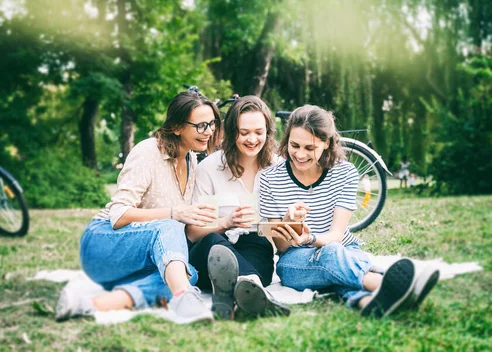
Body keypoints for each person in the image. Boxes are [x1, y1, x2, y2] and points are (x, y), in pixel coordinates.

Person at [256, 105, 439, 318]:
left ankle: (370, 302)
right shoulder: (270, 178)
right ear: (286, 140)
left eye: (310, 148)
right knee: (334, 256)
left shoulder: (345, 173)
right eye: (294, 145)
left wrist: (310, 236)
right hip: (294, 262)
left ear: (326, 143)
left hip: (343, 249)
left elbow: (336, 235)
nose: (300, 154)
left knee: (335, 258)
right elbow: (282, 247)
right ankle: (385, 282)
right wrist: (288, 224)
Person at [55, 90, 222, 323]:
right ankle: (184, 298)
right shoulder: (148, 151)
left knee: (188, 273)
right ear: (176, 127)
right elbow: (118, 215)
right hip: (102, 244)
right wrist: (176, 213)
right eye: (201, 125)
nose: (209, 131)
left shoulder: (191, 159)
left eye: (212, 123)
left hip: (133, 263)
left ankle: (89, 304)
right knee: (170, 226)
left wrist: (224, 222)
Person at [187, 96, 289, 319]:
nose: (252, 139)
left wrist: (283, 222)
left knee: (259, 250)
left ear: (268, 132)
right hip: (210, 247)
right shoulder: (210, 168)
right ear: (232, 133)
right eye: (245, 133)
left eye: (259, 132)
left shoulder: (278, 169)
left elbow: (280, 237)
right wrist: (226, 223)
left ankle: (228, 296)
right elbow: (193, 233)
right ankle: (254, 291)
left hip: (254, 245)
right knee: (216, 245)